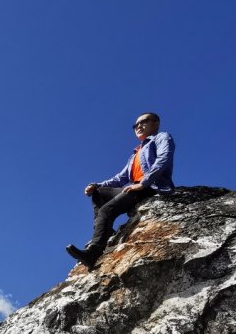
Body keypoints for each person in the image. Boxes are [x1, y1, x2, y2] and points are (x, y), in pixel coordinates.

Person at [66, 113, 175, 268]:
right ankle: (104, 232)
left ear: (156, 123)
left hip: (150, 187)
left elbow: (164, 159)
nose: (139, 126)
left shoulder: (162, 137)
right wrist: (97, 185)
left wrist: (144, 183)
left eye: (144, 122)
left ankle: (94, 253)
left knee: (105, 211)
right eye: (135, 125)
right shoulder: (136, 152)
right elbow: (121, 178)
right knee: (99, 193)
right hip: (134, 187)